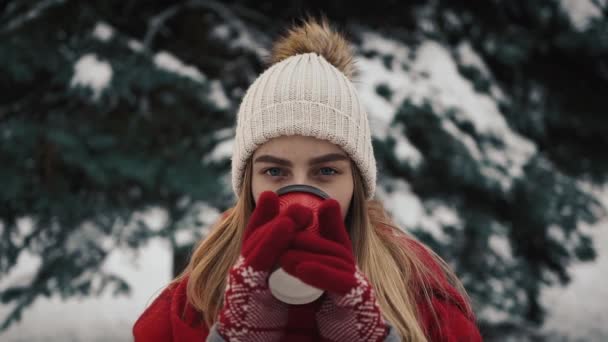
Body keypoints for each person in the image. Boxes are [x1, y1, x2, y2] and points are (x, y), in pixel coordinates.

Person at [133, 16, 482, 342]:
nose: (299, 196)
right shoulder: (193, 301)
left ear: (356, 183)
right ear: (248, 183)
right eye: (274, 171)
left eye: (326, 171)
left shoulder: (422, 299)